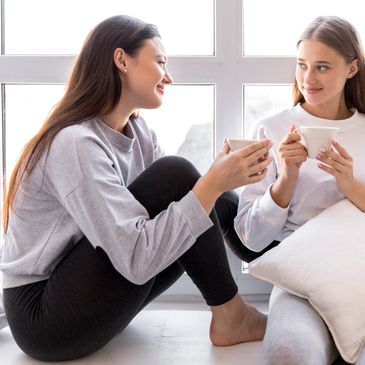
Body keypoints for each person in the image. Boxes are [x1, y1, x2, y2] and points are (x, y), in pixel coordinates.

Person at [0, 15, 272, 362]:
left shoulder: (140, 134)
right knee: (182, 177)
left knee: (203, 197)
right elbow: (136, 262)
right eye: (160, 62)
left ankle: (288, 269)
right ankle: (231, 315)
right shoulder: (76, 143)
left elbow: (183, 216)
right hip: (44, 317)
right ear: (122, 60)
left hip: (88, 296)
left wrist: (217, 186)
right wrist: (209, 184)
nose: (169, 77)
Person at [234, 15, 365, 365]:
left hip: (360, 269)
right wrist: (286, 178)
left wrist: (350, 186)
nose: (308, 78)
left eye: (322, 67)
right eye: (302, 65)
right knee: (289, 354)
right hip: (301, 282)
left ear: (351, 69)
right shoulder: (272, 128)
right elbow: (251, 238)